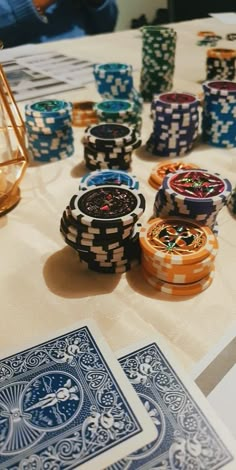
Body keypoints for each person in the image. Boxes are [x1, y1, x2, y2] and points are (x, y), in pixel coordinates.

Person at [0, 0, 118, 49]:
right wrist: (35, 4)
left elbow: (106, 28)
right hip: (18, 66)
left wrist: (97, 3)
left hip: (83, 55)